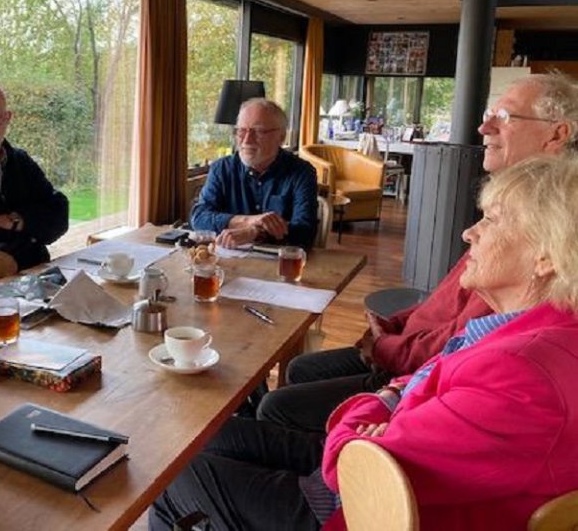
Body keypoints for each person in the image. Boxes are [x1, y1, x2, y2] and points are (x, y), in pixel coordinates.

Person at [151, 154, 578, 530]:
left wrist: (385, 399)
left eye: (492, 219)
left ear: (546, 256)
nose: (469, 233)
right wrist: (390, 408)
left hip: (352, 510)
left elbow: (351, 467)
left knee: (174, 474)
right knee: (201, 439)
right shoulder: (532, 329)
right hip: (373, 470)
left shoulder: (521, 376)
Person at [257, 72, 578, 432]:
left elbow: (459, 338)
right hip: (407, 354)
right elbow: (446, 303)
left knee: (278, 407)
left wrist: (385, 346)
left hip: (415, 376)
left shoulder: (541, 225)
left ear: (557, 134)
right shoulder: (513, 205)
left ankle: (317, 469)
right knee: (300, 370)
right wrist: (396, 325)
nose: (483, 127)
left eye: (504, 117)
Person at [0, 79, 69, 270]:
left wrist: (12, 221)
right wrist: (29, 230)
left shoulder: (20, 161)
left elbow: (59, 216)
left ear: (7, 117)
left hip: (31, 274)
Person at [190, 98, 318, 250]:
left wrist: (255, 233)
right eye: (241, 130)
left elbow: (305, 232)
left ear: (281, 137)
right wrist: (248, 221)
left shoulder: (301, 172)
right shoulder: (221, 168)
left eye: (258, 131)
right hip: (227, 263)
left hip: (279, 264)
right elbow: (199, 217)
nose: (246, 140)